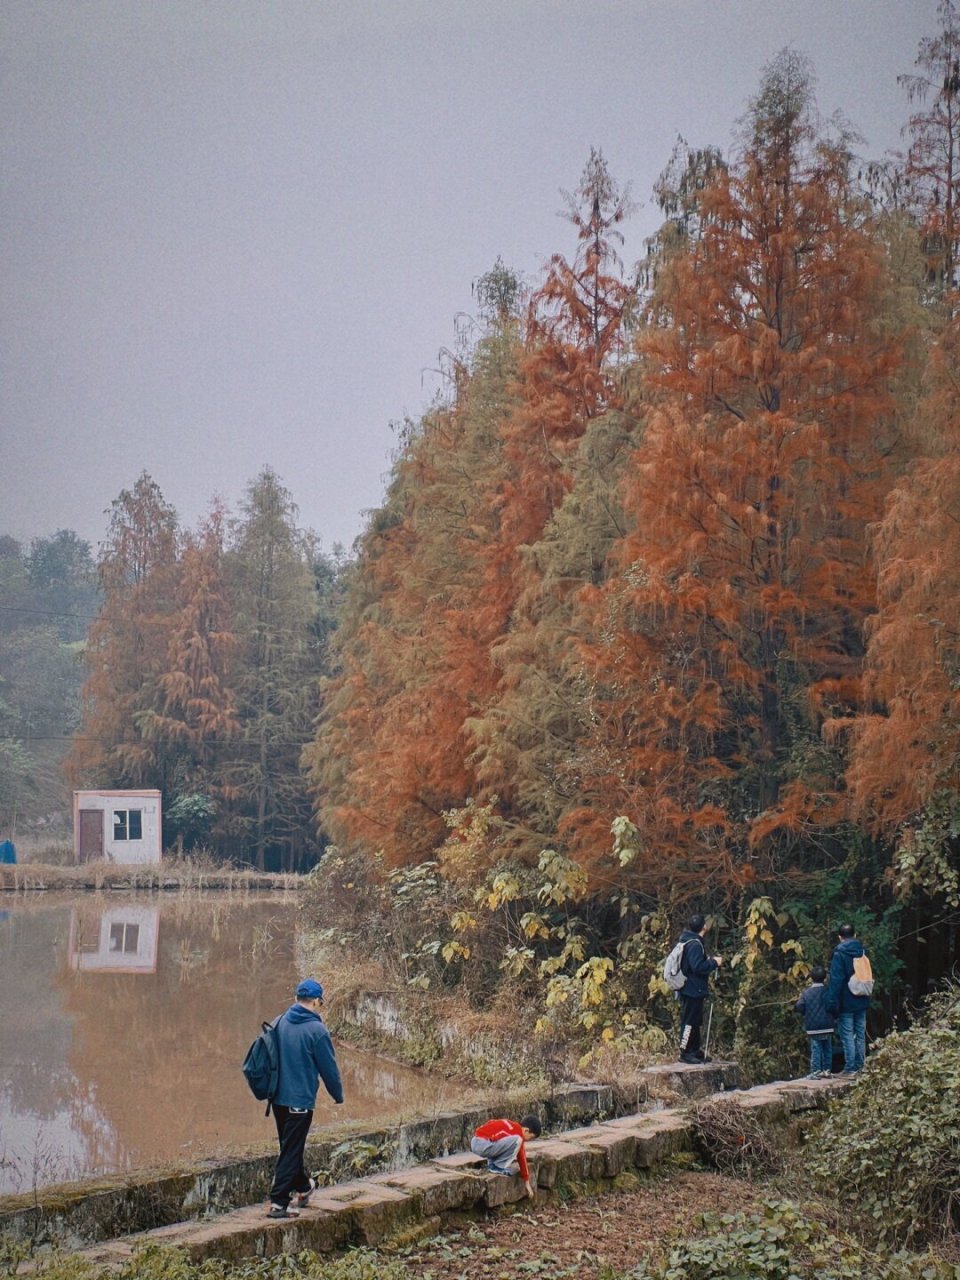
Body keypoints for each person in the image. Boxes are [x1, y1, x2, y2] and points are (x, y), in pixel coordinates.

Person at [267, 977, 344, 1219]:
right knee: (291, 1149)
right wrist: (337, 1094)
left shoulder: (278, 1022)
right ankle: (279, 1202)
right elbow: (328, 1068)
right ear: (317, 1002)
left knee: (290, 1146)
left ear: (297, 999)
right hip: (299, 1102)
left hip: (277, 1099)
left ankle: (303, 1187)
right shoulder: (317, 1030)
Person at [825, 923, 870, 1075]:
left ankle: (850, 1067)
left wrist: (831, 1002)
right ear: (855, 935)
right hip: (862, 997)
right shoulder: (863, 951)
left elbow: (836, 980)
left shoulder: (839, 953)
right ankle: (860, 1065)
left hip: (846, 1000)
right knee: (860, 1033)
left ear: (840, 937)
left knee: (847, 1034)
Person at [676, 913, 722, 1064]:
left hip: (693, 989)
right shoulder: (695, 944)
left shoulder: (689, 941)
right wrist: (714, 963)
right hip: (692, 989)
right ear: (704, 927)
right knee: (689, 1021)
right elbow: (697, 967)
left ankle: (694, 1050)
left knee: (695, 1021)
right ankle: (685, 1052)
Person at [470, 1114, 541, 1199]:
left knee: (508, 1142)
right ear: (526, 1130)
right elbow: (521, 1156)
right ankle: (497, 1167)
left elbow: (491, 1124)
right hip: (482, 1144)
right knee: (517, 1140)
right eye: (531, 1137)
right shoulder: (518, 1135)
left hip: (476, 1140)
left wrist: (526, 1180)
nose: (529, 1140)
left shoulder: (511, 1125)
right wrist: (526, 1181)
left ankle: (493, 1164)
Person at [794, 964, 834, 1078]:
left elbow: (800, 1006)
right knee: (827, 1047)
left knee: (816, 1048)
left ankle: (816, 1071)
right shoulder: (828, 991)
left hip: (813, 1026)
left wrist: (804, 1013)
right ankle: (827, 1070)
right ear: (824, 978)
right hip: (827, 1024)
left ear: (811, 978)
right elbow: (833, 1005)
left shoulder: (806, 993)